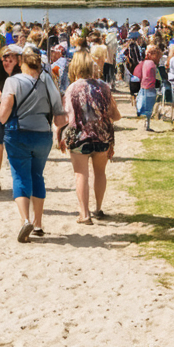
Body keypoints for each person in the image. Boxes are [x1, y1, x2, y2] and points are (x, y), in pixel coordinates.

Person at [0, 49, 67, 242]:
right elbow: (59, 117)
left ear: (22, 64)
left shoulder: (13, 81)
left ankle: (25, 220)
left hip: (18, 133)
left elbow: (3, 114)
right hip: (43, 134)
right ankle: (38, 224)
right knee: (37, 176)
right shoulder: (48, 83)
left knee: (20, 176)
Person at [60, 51, 120, 223]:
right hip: (102, 136)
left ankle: (84, 214)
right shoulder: (103, 87)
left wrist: (60, 134)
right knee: (100, 173)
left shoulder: (72, 89)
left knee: (81, 175)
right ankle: (98, 208)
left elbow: (66, 117)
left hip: (79, 137)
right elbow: (115, 115)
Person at [0, 45, 21, 192]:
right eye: (5, 59)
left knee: (15, 148)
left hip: (17, 114)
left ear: (17, 60)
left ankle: (18, 181)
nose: (7, 62)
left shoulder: (21, 73)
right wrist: (4, 99)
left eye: (10, 59)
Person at [133, 45, 161, 131]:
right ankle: (147, 124)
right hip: (150, 87)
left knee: (144, 104)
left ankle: (146, 123)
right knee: (149, 107)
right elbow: (156, 77)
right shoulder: (152, 64)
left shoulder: (145, 63)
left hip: (143, 86)